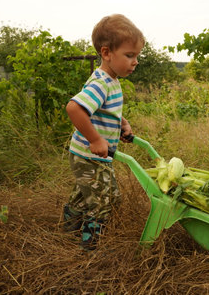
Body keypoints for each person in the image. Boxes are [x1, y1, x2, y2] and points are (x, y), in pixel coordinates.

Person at [63, 14, 145, 251]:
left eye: (137, 56)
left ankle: (68, 229)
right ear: (107, 53)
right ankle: (90, 249)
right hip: (90, 155)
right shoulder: (101, 83)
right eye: (129, 55)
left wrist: (122, 124)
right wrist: (96, 139)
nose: (135, 61)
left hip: (91, 156)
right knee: (103, 201)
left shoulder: (112, 80)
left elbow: (105, 112)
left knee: (83, 195)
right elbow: (74, 108)